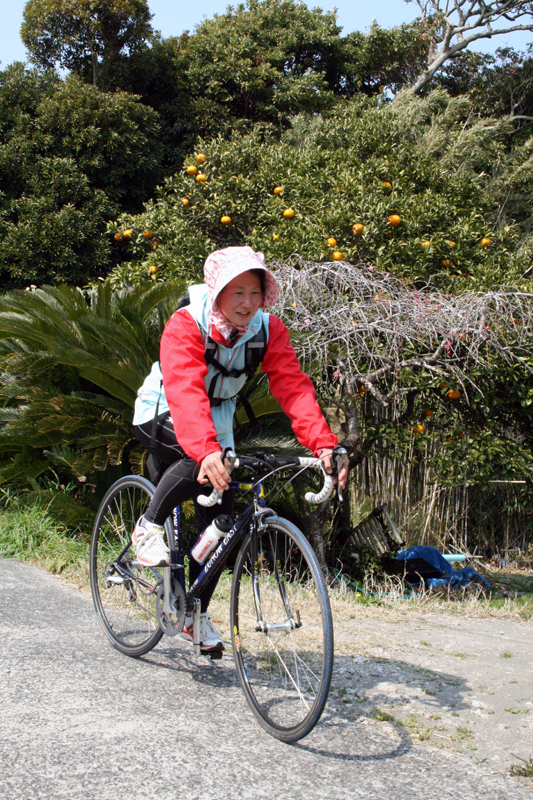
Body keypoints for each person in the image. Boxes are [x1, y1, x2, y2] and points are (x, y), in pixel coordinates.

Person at [132, 246, 348, 653]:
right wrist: (205, 449)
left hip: (216, 424)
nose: (248, 303)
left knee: (222, 523)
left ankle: (194, 612)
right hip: (164, 410)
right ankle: (147, 527)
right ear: (216, 293)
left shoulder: (268, 331)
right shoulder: (185, 323)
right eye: (237, 293)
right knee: (194, 459)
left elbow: (293, 387)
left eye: (255, 292)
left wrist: (323, 444)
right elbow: (184, 387)